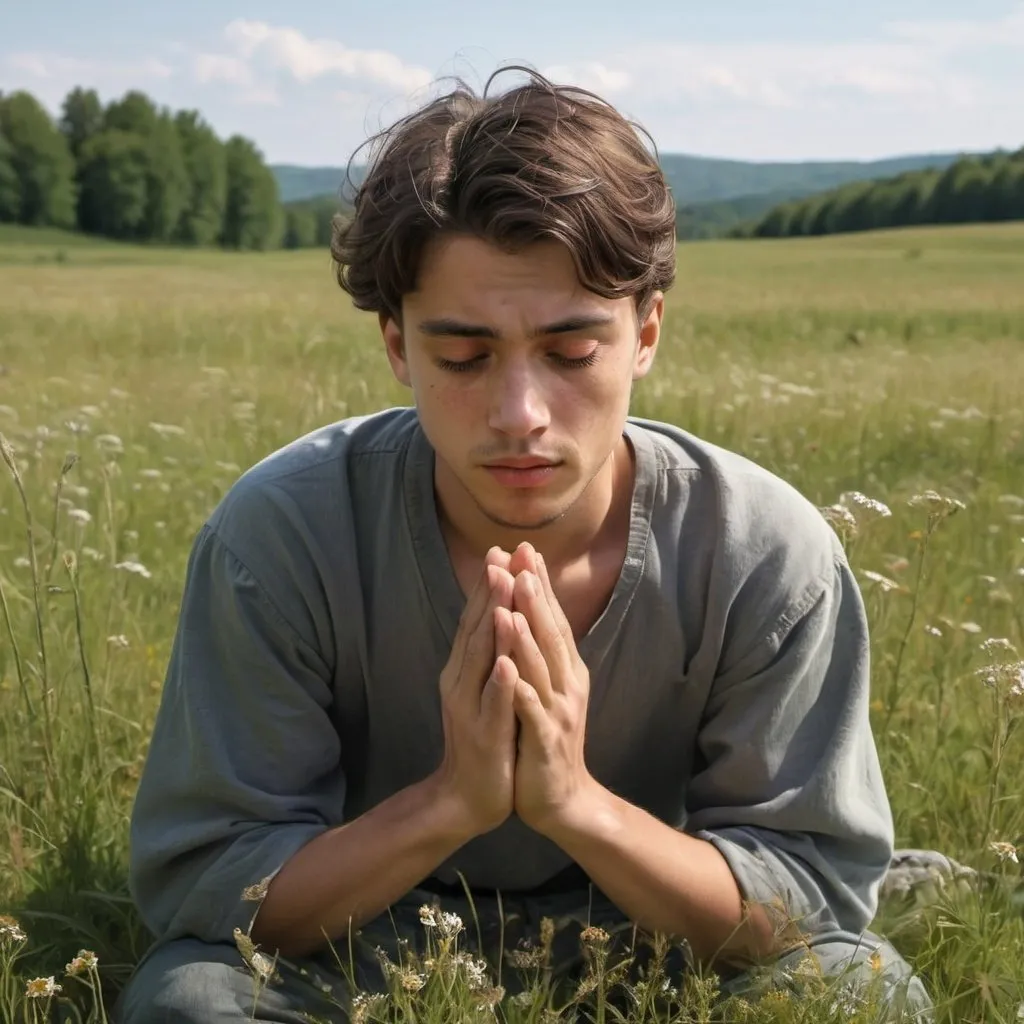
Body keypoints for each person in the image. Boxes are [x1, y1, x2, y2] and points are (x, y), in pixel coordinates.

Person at [116, 67, 932, 1022]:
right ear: (396, 345)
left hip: (655, 933)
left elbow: (810, 902)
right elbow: (212, 886)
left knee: (865, 995)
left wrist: (574, 806)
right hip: (366, 939)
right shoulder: (281, 535)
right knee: (193, 1003)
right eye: (461, 357)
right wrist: (451, 802)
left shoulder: (764, 553)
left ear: (645, 333)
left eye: (572, 352)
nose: (520, 416)